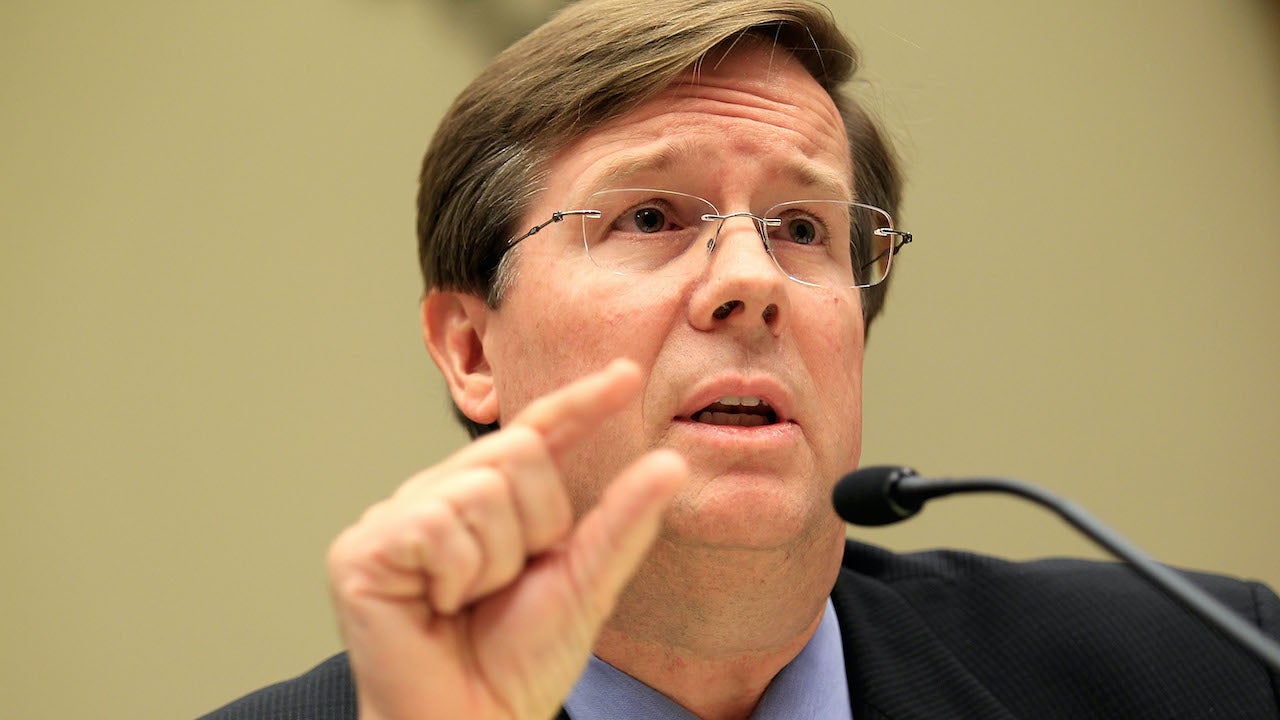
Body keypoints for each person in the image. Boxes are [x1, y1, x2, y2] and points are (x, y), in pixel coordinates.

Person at [201, 1, 1280, 718]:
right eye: (652, 215)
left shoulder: (1214, 667)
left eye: (802, 228)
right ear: (470, 346)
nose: (750, 278)